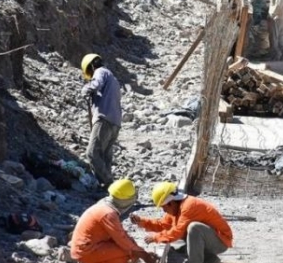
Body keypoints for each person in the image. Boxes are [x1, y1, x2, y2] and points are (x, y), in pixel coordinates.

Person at [132, 182, 233, 263]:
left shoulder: (189, 206)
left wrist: (156, 237)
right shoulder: (177, 207)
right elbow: (163, 224)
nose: (164, 211)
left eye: (164, 207)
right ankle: (211, 260)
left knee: (194, 228)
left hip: (221, 241)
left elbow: (176, 232)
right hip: (211, 239)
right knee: (187, 233)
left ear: (170, 203)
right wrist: (142, 222)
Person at [70, 179, 157, 263]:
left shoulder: (104, 205)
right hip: (86, 252)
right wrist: (145, 256)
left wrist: (141, 250)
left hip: (88, 248)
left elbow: (121, 234)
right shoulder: (108, 213)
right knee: (128, 252)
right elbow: (123, 241)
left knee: (131, 249)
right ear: (126, 201)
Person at [81, 53, 123, 189]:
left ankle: (109, 183)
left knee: (92, 153)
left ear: (92, 66)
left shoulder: (100, 72)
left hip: (104, 119)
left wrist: (85, 89)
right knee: (105, 156)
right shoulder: (113, 79)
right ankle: (109, 189)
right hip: (115, 122)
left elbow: (95, 84)